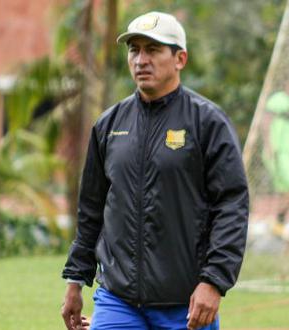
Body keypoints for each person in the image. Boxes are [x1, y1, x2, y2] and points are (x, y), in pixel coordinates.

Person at [60, 11, 249, 330]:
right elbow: (91, 210)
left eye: (153, 49)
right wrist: (75, 281)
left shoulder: (207, 123)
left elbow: (232, 206)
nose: (141, 59)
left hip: (186, 303)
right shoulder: (109, 125)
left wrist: (213, 282)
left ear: (180, 59)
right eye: (134, 49)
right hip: (117, 300)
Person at [261, 74, 289, 236]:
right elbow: (266, 121)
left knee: (286, 191)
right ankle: (277, 222)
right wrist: (268, 145)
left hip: (288, 154)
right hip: (278, 153)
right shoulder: (278, 99)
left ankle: (277, 227)